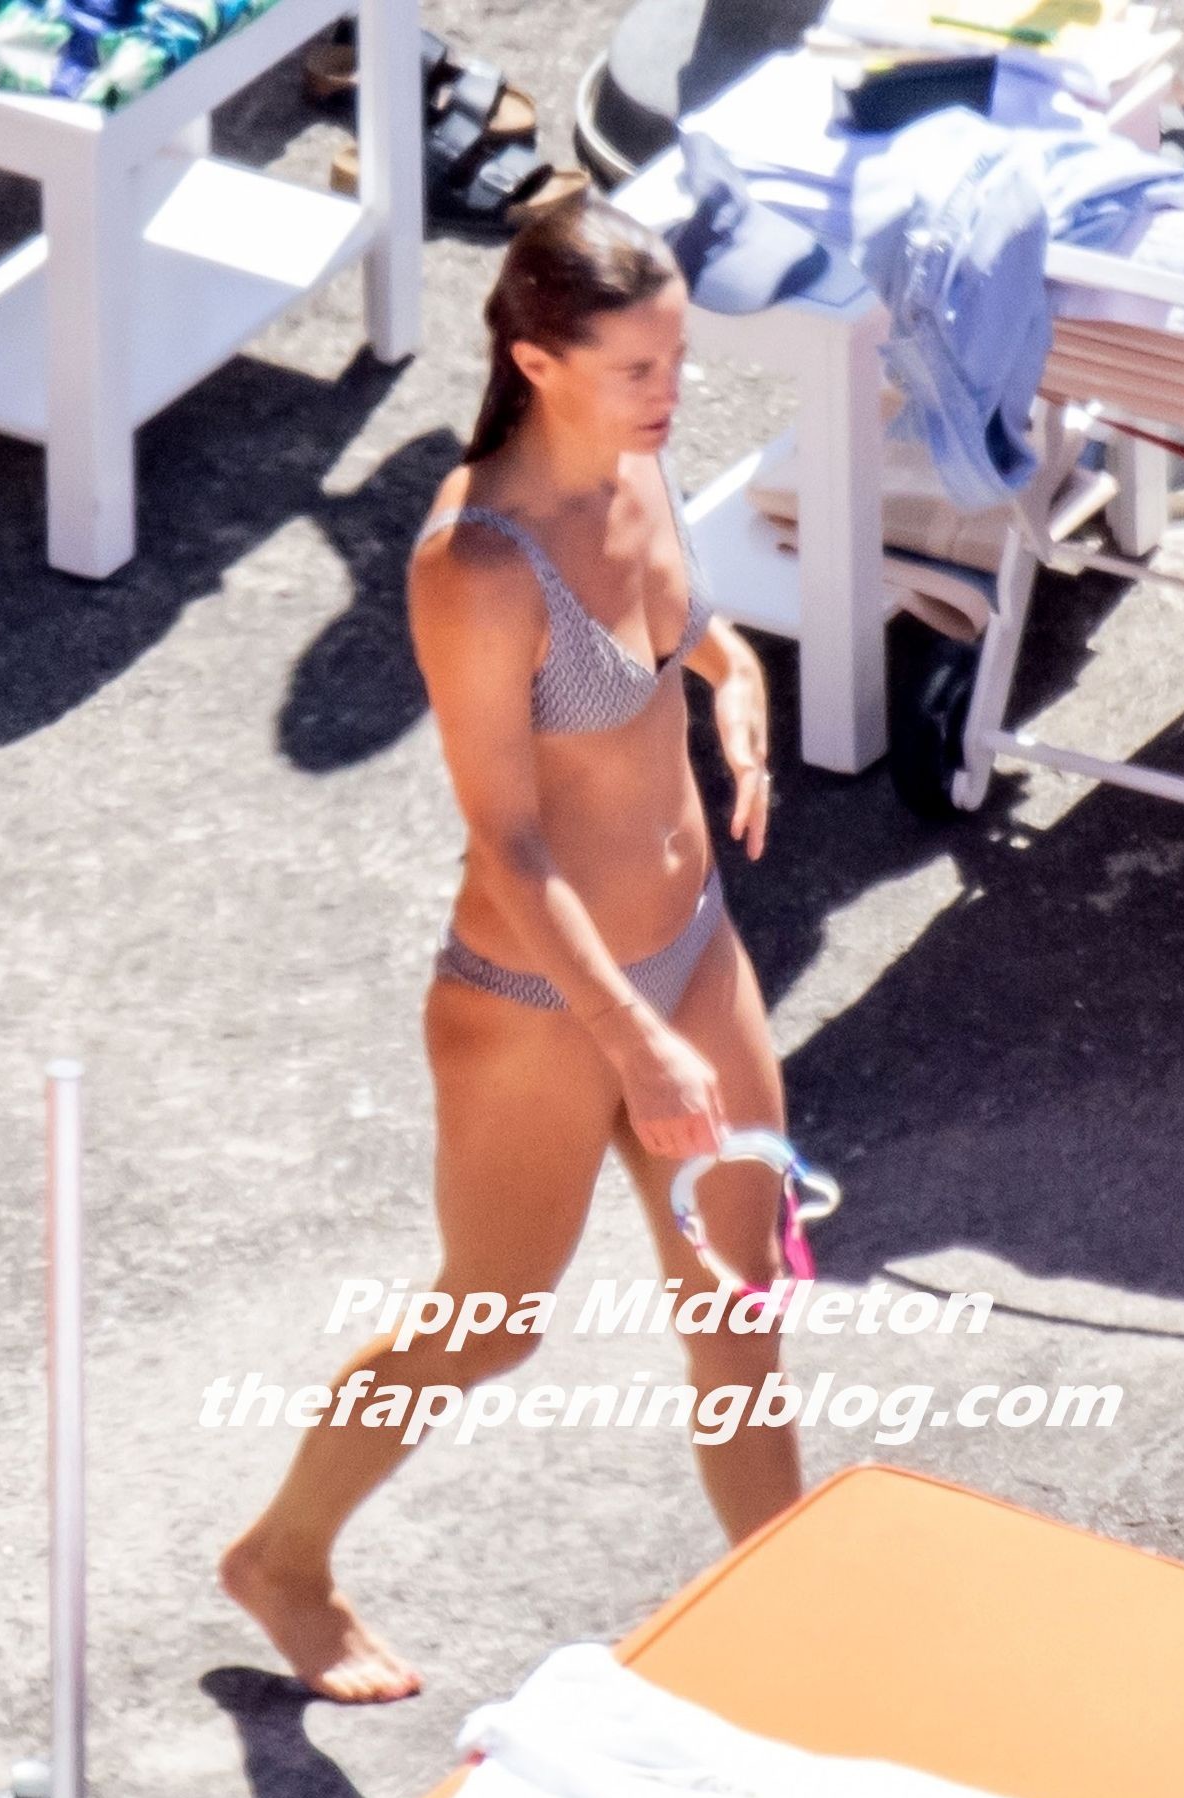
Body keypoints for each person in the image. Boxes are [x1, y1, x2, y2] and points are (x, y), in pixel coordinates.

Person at [220, 194, 804, 1704]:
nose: (671, 393)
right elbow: (510, 842)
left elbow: (672, 620)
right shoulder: (474, 566)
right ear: (538, 364)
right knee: (491, 1322)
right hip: (539, 1005)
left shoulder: (635, 456)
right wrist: (637, 1043)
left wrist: (732, 675)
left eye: (678, 360)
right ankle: (282, 1558)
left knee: (741, 1312)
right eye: (638, 369)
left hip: (693, 953)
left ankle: (796, 1624)